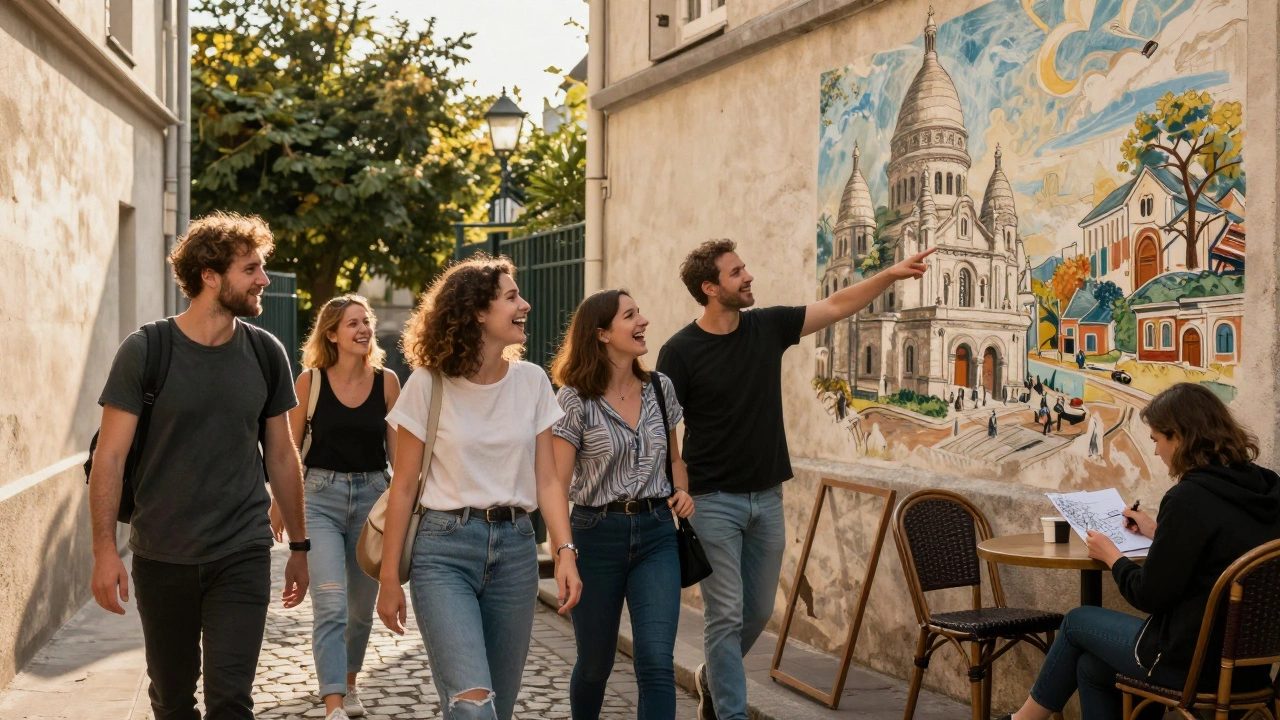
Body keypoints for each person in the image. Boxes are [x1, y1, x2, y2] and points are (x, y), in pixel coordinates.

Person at [656, 239, 933, 720]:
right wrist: (677, 485)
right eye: (736, 272)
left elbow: (835, 304)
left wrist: (890, 275)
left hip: (766, 495)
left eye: (745, 268)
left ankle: (712, 678)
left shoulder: (767, 326)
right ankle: (730, 713)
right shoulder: (679, 351)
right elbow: (665, 428)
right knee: (725, 614)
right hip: (710, 499)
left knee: (759, 611)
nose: (749, 277)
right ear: (709, 288)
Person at [89, 212, 307, 719]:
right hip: (162, 555)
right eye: (250, 269)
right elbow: (111, 457)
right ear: (210, 276)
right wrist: (104, 551)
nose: (263, 280)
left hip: (242, 551)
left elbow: (281, 453)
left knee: (231, 700)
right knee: (172, 699)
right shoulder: (147, 350)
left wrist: (299, 544)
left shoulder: (265, 352)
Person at [375, 255, 582, 720]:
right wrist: (390, 580)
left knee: (498, 708)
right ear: (476, 313)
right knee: (473, 707)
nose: (524, 304)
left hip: (516, 552)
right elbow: (404, 487)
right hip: (442, 551)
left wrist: (565, 551)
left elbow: (547, 479)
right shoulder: (428, 385)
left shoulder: (531, 382)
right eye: (511, 297)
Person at [998, 383, 1280, 720]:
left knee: (1075, 622)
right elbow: (1222, 548)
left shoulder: (1189, 497)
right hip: (1250, 667)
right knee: (1091, 667)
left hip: (1189, 662)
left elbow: (1150, 595)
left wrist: (1112, 556)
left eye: (1158, 440)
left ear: (1181, 437)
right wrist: (1157, 530)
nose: (1158, 452)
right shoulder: (1267, 487)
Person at [549, 289, 696, 720]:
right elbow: (556, 486)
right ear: (602, 334)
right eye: (630, 315)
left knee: (655, 662)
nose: (643, 321)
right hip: (595, 536)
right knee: (596, 665)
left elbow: (674, 459)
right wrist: (564, 553)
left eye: (639, 312)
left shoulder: (661, 388)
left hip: (656, 534)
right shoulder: (574, 399)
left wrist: (682, 491)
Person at [277, 294, 402, 720]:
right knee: (330, 602)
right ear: (331, 334)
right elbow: (290, 452)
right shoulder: (309, 383)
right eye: (353, 323)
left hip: (372, 502)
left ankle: (349, 686)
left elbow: (399, 460)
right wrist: (281, 502)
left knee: (359, 612)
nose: (364, 329)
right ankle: (333, 705)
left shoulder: (388, 383)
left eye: (365, 321)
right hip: (320, 499)